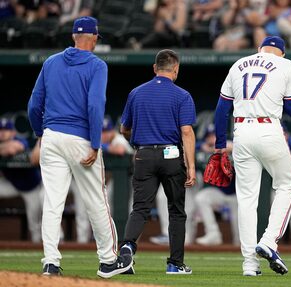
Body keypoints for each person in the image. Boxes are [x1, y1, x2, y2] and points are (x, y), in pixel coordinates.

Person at [27, 16, 132, 278]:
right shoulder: (97, 65)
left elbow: (33, 106)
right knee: (97, 201)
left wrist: (41, 133)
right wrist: (96, 144)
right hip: (80, 138)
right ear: (94, 37)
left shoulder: (51, 62)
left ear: (74, 36)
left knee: (52, 203)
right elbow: (95, 106)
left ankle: (50, 263)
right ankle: (108, 261)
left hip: (51, 137)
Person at [213, 36, 291, 276]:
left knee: (247, 200)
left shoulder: (239, 64)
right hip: (269, 128)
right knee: (287, 185)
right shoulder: (287, 64)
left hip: (241, 132)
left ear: (258, 49)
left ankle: (249, 264)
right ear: (281, 52)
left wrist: (220, 145)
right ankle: (270, 240)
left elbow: (222, 110)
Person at [119, 49, 196, 275]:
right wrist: (191, 166)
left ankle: (127, 248)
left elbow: (124, 129)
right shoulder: (182, 95)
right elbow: (187, 132)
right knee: (176, 211)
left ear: (155, 68)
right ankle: (175, 264)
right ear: (176, 69)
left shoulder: (136, 93)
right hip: (172, 155)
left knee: (140, 208)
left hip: (143, 155)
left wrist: (136, 142)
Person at [194, 124, 239, 246]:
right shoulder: (203, 147)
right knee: (201, 198)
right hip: (219, 192)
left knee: (240, 236)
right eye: (209, 136)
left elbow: (235, 146)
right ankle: (213, 234)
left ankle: (240, 245)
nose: (212, 138)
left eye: (214, 135)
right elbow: (193, 146)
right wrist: (205, 148)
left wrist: (222, 148)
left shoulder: (231, 144)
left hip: (237, 194)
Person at [0, 116, 43, 243]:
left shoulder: (20, 140)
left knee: (33, 222)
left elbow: (13, 148)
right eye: (0, 129)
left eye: (6, 130)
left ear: (13, 132)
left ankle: (36, 247)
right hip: (12, 185)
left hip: (31, 187)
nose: (2, 133)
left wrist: (4, 148)